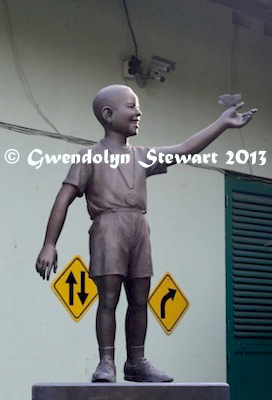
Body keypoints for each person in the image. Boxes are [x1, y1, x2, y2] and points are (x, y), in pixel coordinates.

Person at [36, 84, 256, 383]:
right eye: (131, 106)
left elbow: (183, 150)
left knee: (140, 299)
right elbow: (63, 198)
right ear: (108, 114)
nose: (138, 112)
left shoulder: (142, 155)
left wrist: (221, 123)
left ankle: (136, 361)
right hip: (107, 227)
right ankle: (106, 362)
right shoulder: (90, 156)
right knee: (109, 299)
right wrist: (49, 244)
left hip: (138, 227)